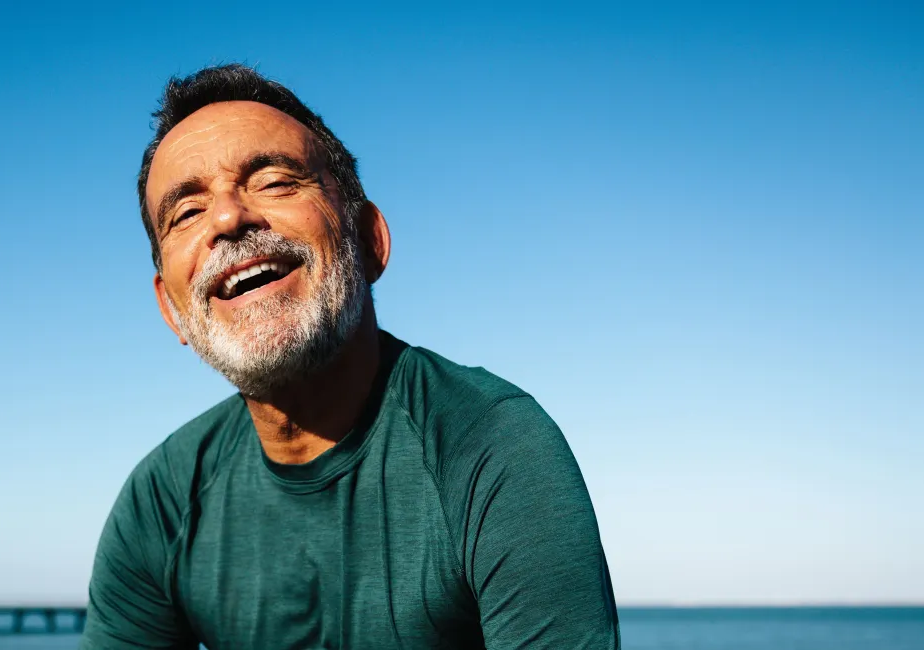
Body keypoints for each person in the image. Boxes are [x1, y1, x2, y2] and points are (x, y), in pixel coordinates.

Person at [80, 64, 619, 649]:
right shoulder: (161, 504)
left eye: (274, 181)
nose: (229, 218)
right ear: (171, 309)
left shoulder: (488, 445)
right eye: (186, 213)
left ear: (368, 241)